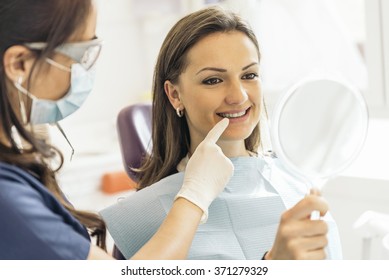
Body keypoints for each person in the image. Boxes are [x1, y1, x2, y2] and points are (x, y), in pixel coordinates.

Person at [100, 6, 343, 260]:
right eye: (213, 80)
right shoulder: (143, 216)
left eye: (249, 75)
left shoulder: (297, 183)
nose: (239, 96)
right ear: (175, 94)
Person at [0, 0, 234, 260]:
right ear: (19, 63)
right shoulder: (7, 198)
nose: (238, 96)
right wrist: (194, 197)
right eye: (82, 54)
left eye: (250, 75)